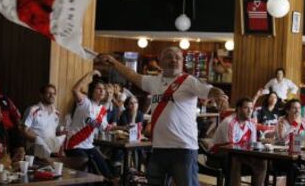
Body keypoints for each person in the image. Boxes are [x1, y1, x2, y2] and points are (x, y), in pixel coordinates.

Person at [98, 46, 229, 186]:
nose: (173, 60)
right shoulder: (154, 82)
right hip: (158, 148)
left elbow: (210, 90)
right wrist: (113, 62)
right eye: (169, 57)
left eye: (177, 57)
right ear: (160, 61)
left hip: (183, 149)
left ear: (182, 61)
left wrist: (220, 96)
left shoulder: (189, 81)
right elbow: (132, 75)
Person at [64, 70, 112, 179]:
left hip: (89, 146)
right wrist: (90, 74)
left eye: (103, 89)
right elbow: (75, 90)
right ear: (92, 91)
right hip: (74, 144)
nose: (102, 91)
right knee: (87, 166)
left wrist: (125, 128)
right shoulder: (85, 102)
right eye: (99, 88)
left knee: (106, 171)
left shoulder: (103, 110)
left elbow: (106, 128)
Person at [210, 97, 267, 186]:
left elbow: (252, 146)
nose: (249, 111)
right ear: (239, 109)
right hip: (217, 153)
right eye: (246, 108)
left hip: (239, 153)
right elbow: (230, 147)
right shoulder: (229, 122)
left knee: (262, 162)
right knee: (236, 159)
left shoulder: (251, 124)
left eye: (251, 108)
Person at [22, 84, 65, 159]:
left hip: (51, 149)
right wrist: (38, 140)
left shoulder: (57, 113)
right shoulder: (33, 109)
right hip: (35, 147)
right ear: (41, 95)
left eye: (54, 93)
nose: (52, 95)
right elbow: (24, 130)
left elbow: (57, 132)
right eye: (49, 93)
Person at [0, 76, 23, 153]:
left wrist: (19, 126)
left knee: (18, 139)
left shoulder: (5, 99)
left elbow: (15, 113)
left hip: (9, 128)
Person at [0, 99, 24, 167]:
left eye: (0, 111)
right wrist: (1, 164)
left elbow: (4, 161)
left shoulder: (1, 134)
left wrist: (13, 161)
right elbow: (1, 163)